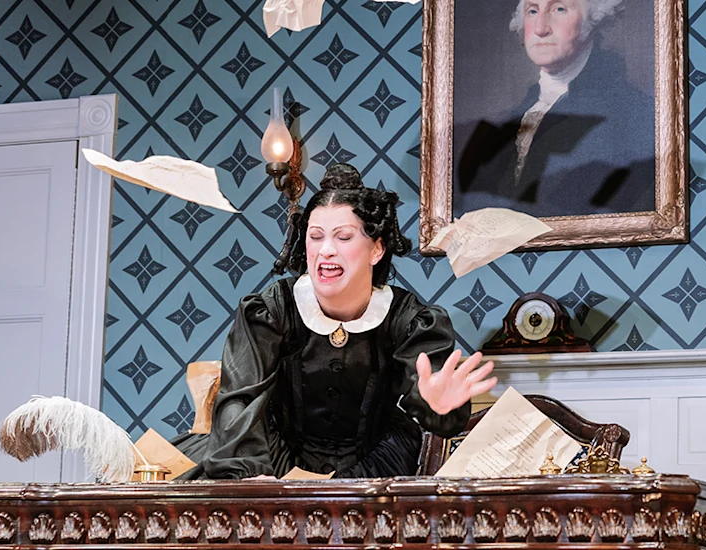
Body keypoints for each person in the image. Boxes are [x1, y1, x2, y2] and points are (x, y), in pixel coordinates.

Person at [174, 164, 498, 479]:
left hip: (377, 463)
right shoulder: (272, 309)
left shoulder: (409, 318)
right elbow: (240, 400)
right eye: (316, 236)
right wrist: (250, 480)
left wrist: (436, 405)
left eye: (343, 237)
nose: (325, 250)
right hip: (275, 460)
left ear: (376, 249)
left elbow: (437, 405)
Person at [455, 0, 656, 218]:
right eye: (532, 11)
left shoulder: (634, 114)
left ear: (595, 16)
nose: (540, 28)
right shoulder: (510, 121)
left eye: (559, 9)